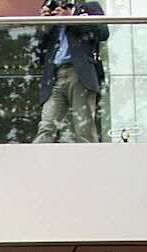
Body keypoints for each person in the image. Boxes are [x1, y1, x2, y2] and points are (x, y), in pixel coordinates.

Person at [33, 0, 108, 145]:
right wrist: (44, 25)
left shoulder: (88, 7)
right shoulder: (53, 13)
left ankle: (93, 165)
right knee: (46, 126)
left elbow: (103, 32)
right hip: (55, 75)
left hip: (79, 73)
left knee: (84, 128)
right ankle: (35, 163)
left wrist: (72, 16)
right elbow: (37, 52)